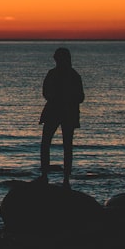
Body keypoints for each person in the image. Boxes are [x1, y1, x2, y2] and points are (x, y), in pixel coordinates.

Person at [39, 47, 84, 187]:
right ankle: (54, 176)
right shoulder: (70, 75)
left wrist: (61, 99)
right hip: (61, 112)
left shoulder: (69, 75)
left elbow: (80, 97)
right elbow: (45, 92)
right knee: (58, 145)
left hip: (62, 112)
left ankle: (60, 177)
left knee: (56, 144)